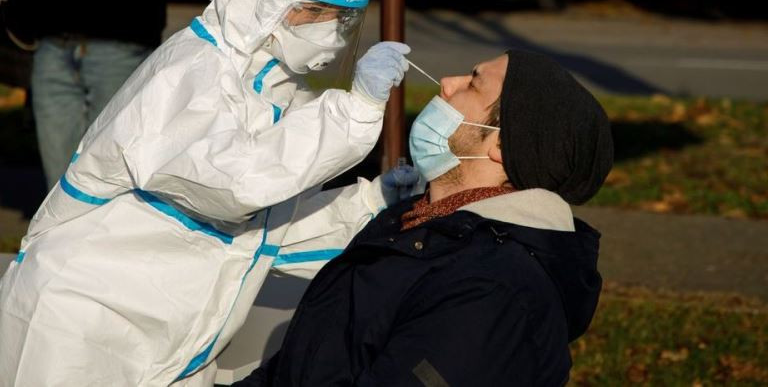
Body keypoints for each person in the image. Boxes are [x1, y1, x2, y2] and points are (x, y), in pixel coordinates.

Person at [0, 0, 413, 386]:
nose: (327, 31)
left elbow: (263, 238)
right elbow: (234, 184)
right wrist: (352, 112)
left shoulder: (273, 87)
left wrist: (375, 203)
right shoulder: (190, 72)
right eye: (312, 11)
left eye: (340, 17)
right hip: (75, 328)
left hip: (170, 347)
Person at [233, 50, 615, 387]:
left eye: (473, 83)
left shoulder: (495, 290)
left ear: (500, 144)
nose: (448, 82)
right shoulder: (416, 222)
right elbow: (300, 365)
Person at [0, 0, 192, 188]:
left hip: (120, 38)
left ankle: (111, 233)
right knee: (60, 185)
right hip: (52, 37)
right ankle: (59, 235)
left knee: (111, 174)